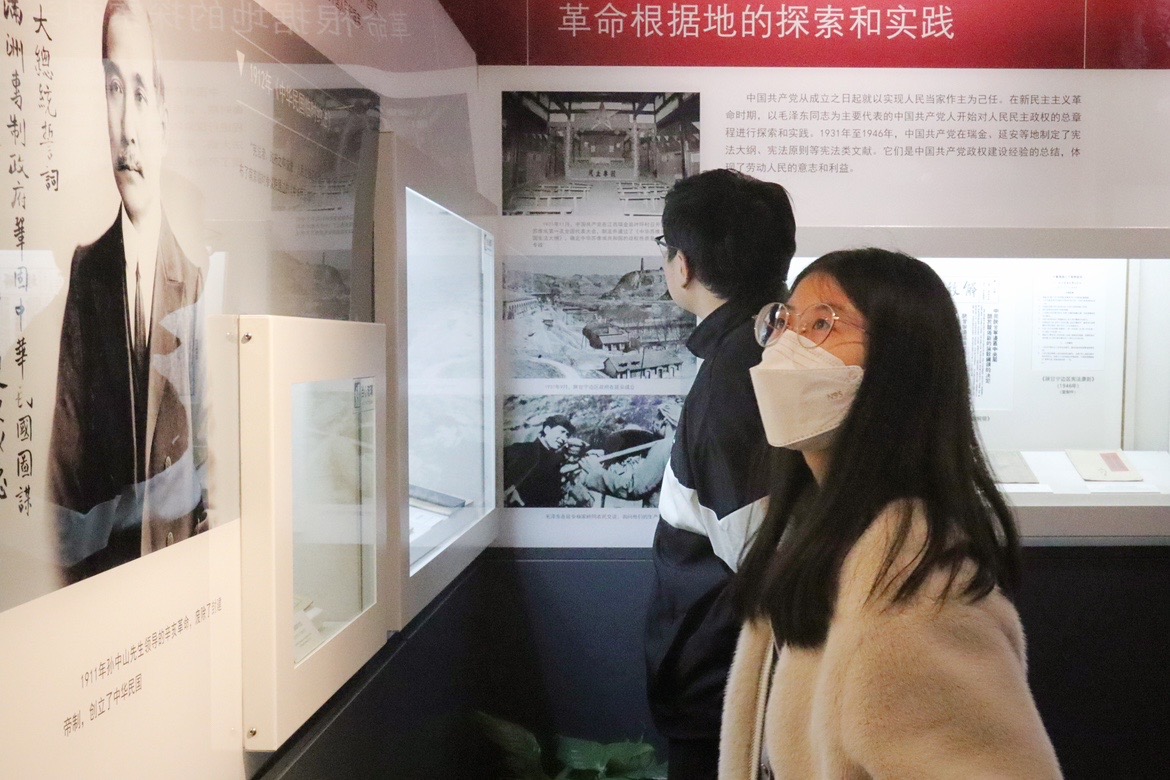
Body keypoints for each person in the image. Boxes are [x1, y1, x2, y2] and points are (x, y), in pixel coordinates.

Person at [722, 248, 1061, 778]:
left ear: (900, 366)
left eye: (822, 324)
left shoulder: (915, 593)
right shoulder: (815, 534)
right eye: (783, 322)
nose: (787, 347)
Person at [48, 0, 208, 583]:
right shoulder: (86, 273)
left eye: (139, 93)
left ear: (164, 116)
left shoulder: (194, 283)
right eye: (113, 89)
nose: (126, 128)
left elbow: (207, 474)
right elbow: (64, 487)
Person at [646, 169, 798, 780]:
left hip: (726, 692)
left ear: (682, 265)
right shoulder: (772, 346)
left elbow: (761, 558)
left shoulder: (733, 377)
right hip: (737, 683)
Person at [577, 399, 681, 507]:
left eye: (656, 419)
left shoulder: (663, 446)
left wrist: (597, 472)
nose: (653, 424)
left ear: (664, 420)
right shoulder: (681, 446)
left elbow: (635, 488)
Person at [503, 414, 574, 507]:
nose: (564, 438)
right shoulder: (521, 449)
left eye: (567, 435)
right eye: (562, 432)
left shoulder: (556, 463)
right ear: (547, 430)